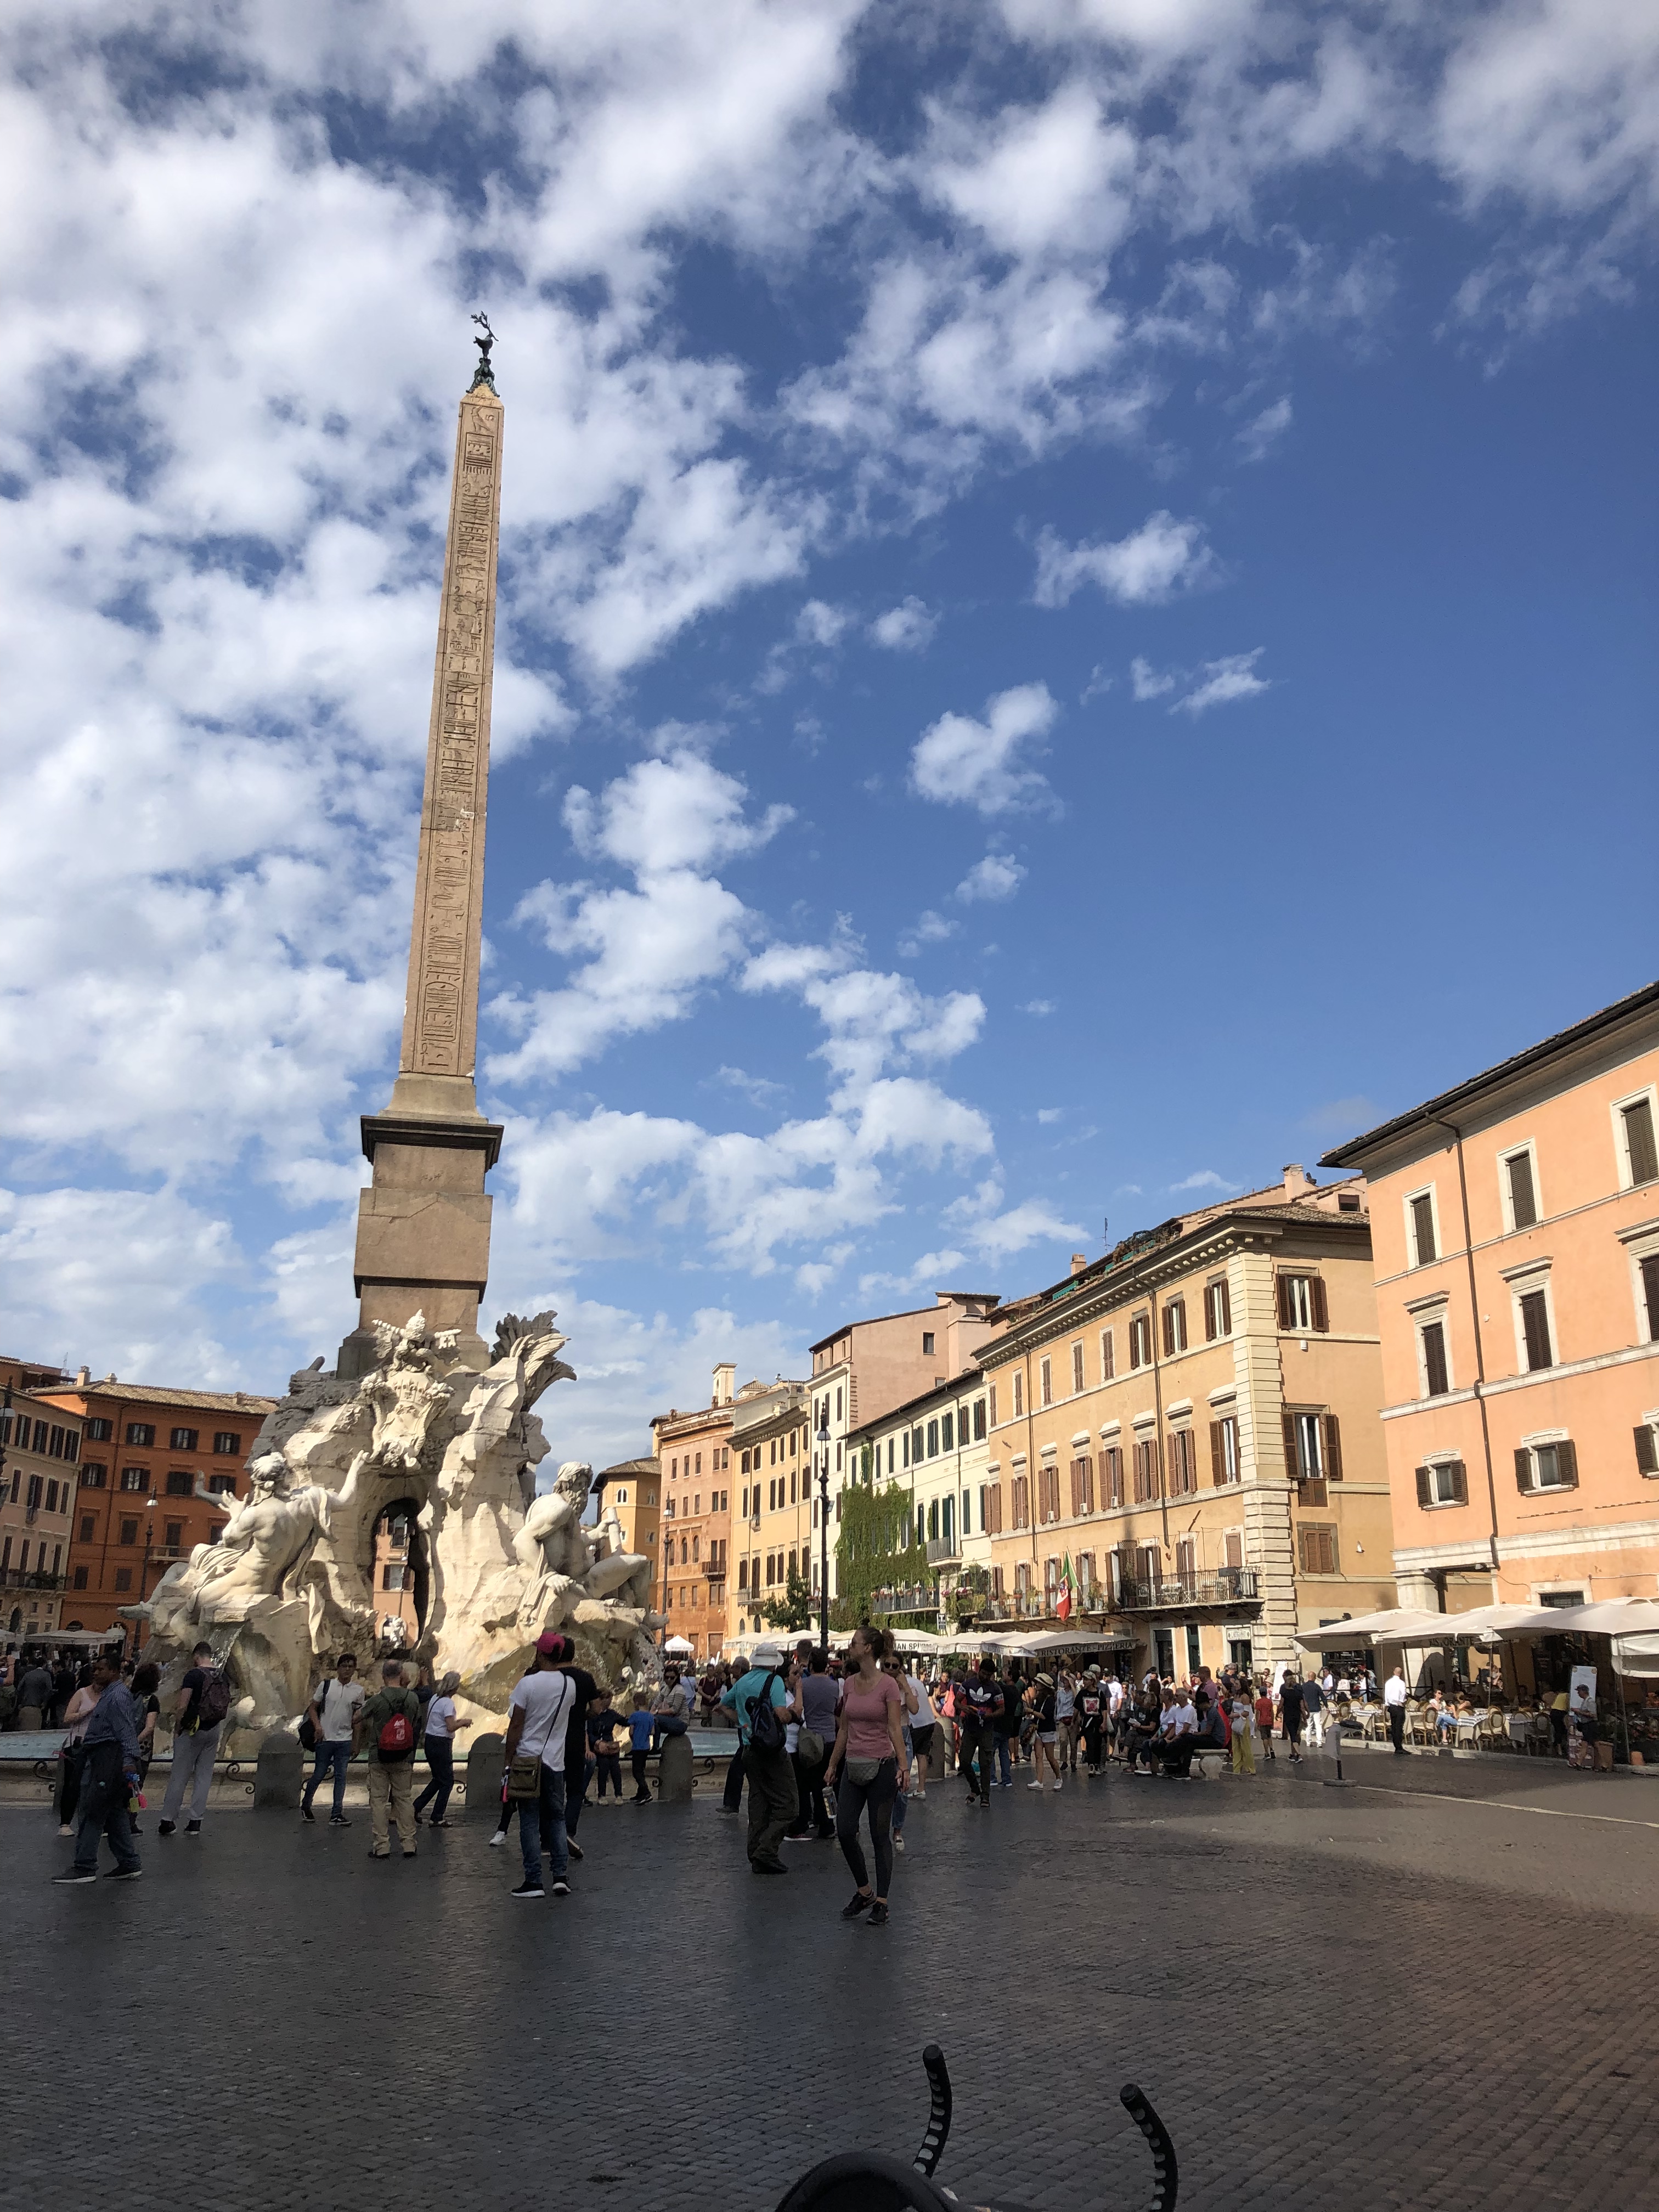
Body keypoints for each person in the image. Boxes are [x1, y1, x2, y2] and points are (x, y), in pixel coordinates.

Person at [824, 1625, 909, 1925]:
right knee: (845, 1830)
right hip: (853, 1765)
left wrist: (904, 1766)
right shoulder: (848, 1684)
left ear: (868, 1649)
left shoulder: (888, 1686)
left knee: (879, 1835)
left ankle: (882, 1902)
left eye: (854, 1643)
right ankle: (865, 1891)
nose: (850, 1647)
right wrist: (833, 1765)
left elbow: (895, 1728)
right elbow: (844, 1729)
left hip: (882, 1765)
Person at [500, 1631, 578, 1898]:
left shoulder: (528, 1684)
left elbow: (516, 1726)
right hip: (555, 1762)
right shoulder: (569, 1685)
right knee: (557, 1818)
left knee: (530, 1821)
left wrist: (508, 1761)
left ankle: (534, 1881)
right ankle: (560, 1877)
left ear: (541, 1654)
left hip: (527, 1761)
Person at [53, 1654, 143, 1884]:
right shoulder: (112, 1694)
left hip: (106, 1761)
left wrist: (129, 1762)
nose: (95, 1673)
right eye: (95, 1669)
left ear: (114, 1672)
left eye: (101, 1669)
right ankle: (129, 1863)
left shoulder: (117, 1697)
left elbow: (127, 1732)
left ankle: (85, 1866)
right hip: (107, 1759)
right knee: (114, 1812)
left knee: (91, 1811)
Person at [723, 1641, 799, 1875]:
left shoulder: (743, 1681)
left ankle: (756, 1854)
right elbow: (781, 1715)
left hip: (749, 1749)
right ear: (774, 1664)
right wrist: (795, 1712)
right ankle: (766, 1850)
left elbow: (722, 1706)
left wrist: (745, 1725)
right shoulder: (774, 1681)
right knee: (789, 1806)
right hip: (772, 1751)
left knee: (758, 1803)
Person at [158, 1640, 227, 1837]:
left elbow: (183, 1705)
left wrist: (177, 1728)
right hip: (213, 1728)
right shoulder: (222, 1675)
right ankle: (195, 1822)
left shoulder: (193, 1675)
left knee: (179, 1775)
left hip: (192, 1729)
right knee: (204, 1776)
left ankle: (168, 1820)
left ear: (196, 1656)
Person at [357, 1658, 422, 1860]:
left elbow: (357, 1717)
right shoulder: (412, 1698)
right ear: (401, 1674)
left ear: (384, 1676)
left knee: (378, 1801)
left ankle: (382, 1845)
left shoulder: (378, 1699)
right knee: (404, 1799)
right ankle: (409, 1843)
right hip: (404, 1756)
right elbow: (416, 1722)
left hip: (379, 1756)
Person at [301, 1653, 364, 1826]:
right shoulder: (326, 1686)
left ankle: (337, 1813)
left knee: (341, 1776)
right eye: (344, 1666)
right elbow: (312, 1708)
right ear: (338, 1668)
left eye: (351, 1666)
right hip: (325, 1738)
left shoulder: (358, 1691)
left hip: (345, 1739)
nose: (347, 1669)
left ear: (354, 1669)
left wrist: (356, 1743)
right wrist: (318, 1727)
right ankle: (306, 1804)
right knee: (319, 1774)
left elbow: (358, 1719)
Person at [557, 1640, 599, 1861]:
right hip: (575, 1740)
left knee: (553, 1790)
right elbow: (596, 1709)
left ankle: (550, 1836)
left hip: (552, 1741)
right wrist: (582, 1717)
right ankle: (568, 1832)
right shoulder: (585, 1678)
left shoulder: (550, 1677)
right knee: (575, 1790)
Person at [792, 1648, 839, 1839]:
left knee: (809, 1784)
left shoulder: (803, 1684)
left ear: (811, 1665)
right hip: (830, 1739)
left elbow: (798, 1708)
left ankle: (811, 1818)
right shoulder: (834, 1685)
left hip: (810, 1740)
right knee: (827, 1785)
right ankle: (827, 1823)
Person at [413, 1670, 471, 1827]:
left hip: (430, 1741)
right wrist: (464, 1722)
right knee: (447, 1782)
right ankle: (437, 1816)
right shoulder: (448, 1703)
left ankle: (416, 1807)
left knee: (439, 1779)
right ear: (454, 1687)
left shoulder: (435, 1698)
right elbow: (450, 1726)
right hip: (441, 1744)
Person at [57, 1666, 99, 1834]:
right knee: (72, 1784)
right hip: (78, 1744)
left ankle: (94, 1822)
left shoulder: (110, 1695)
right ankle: (65, 1824)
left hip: (99, 1745)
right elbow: (67, 1718)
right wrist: (88, 1712)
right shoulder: (81, 1693)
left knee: (97, 1785)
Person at [958, 1657, 1002, 1806]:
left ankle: (985, 1796)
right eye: (984, 1673)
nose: (986, 1677)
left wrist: (990, 1716)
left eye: (989, 1675)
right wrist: (965, 1709)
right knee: (964, 1760)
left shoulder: (996, 1689)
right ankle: (975, 1788)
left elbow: (1002, 1709)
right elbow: (957, 1701)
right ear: (979, 1670)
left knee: (985, 1763)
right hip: (970, 1728)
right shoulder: (968, 1684)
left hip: (986, 1729)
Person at [1027, 1672, 1063, 1791]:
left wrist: (1031, 1711)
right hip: (1039, 1730)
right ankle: (1039, 1781)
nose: (1036, 1684)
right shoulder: (1039, 1698)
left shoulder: (1050, 1700)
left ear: (1043, 1685)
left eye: (1038, 1683)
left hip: (1048, 1730)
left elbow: (1044, 1716)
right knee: (1038, 1756)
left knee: (1050, 1757)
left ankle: (1058, 1778)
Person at [906, 1664, 938, 1799]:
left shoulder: (903, 1684)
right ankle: (921, 1789)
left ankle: (903, 1787)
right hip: (929, 1721)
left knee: (907, 1755)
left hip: (916, 1723)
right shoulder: (917, 1681)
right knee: (922, 1754)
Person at [588, 1685, 623, 1802]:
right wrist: (597, 1741)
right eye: (608, 1699)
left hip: (610, 1745)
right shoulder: (592, 1715)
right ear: (602, 1700)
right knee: (604, 1766)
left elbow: (624, 1721)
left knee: (616, 1768)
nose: (610, 1702)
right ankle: (602, 1795)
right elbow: (589, 1732)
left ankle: (619, 1795)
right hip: (597, 1747)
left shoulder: (612, 1714)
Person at [992, 1660, 1023, 1788]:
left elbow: (998, 1687)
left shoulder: (1005, 1689)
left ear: (1010, 1677)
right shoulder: (1016, 1691)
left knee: (991, 1752)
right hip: (1008, 1725)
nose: (1003, 1675)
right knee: (1004, 1753)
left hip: (998, 1724)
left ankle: (992, 1778)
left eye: (1005, 1673)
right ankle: (1007, 1779)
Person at [627, 1692, 656, 1802]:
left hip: (637, 1747)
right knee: (641, 1770)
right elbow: (653, 1732)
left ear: (636, 1703)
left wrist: (634, 1739)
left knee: (637, 1772)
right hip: (646, 1747)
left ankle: (647, 1793)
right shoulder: (650, 1716)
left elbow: (631, 1732)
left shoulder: (635, 1716)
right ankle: (640, 1794)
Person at [1077, 1669, 1107, 1774]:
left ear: (1092, 1681)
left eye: (1087, 1679)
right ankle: (1091, 1766)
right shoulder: (1082, 1693)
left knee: (1098, 1743)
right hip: (1087, 1722)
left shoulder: (1099, 1693)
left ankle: (1097, 1765)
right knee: (1090, 1743)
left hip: (1098, 1721)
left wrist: (1104, 1722)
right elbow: (1077, 1708)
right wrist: (1076, 1720)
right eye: (1084, 1679)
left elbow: (1104, 1709)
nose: (1084, 1681)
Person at [14, 1652, 52, 1733]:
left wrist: (20, 1703)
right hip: (37, 1706)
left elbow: (19, 1688)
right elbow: (49, 1690)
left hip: (25, 1705)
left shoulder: (28, 1674)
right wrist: (45, 1702)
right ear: (44, 1665)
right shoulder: (46, 1675)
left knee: (22, 1730)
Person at [1228, 1681, 1256, 1774]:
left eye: (1237, 1684)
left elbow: (1247, 1713)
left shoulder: (1245, 1697)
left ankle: (1250, 1768)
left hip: (1243, 1723)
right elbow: (1233, 1709)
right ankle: (1237, 1768)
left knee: (1246, 1747)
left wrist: (1235, 1715)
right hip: (1235, 1723)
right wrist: (1231, 1718)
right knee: (1236, 1747)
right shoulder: (1236, 1696)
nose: (1235, 1685)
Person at [1054, 1667, 1079, 1774]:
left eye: (1067, 1680)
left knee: (1073, 1743)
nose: (1064, 1682)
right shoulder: (1060, 1693)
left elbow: (1076, 1698)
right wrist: (1058, 1717)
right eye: (1064, 1680)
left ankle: (1073, 1762)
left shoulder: (1074, 1692)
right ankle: (1064, 1761)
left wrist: (1072, 1685)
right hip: (1063, 1719)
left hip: (1072, 1719)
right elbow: (1058, 1705)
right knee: (1063, 1740)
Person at [1279, 1672, 1305, 1765]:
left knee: (1293, 1735)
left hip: (1288, 1715)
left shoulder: (1285, 1692)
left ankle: (1298, 1755)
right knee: (1296, 1734)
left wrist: (1278, 1713)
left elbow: (1281, 1705)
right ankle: (1293, 1754)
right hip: (1297, 1715)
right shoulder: (1298, 1692)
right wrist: (1305, 1716)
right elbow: (1302, 1706)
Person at [1384, 1665, 1408, 1754]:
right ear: (1401, 1674)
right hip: (1398, 1706)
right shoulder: (1401, 1683)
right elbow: (1403, 1694)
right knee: (1399, 1727)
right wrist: (1402, 1702)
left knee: (1394, 1726)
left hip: (1391, 1707)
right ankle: (1399, 1747)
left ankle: (1396, 1745)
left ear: (1394, 1672)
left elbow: (1386, 1694)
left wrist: (1387, 1704)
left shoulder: (1388, 1683)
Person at [1254, 1680, 1278, 1762]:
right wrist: (1273, 1722)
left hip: (1262, 1721)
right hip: (1269, 1721)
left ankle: (1267, 1753)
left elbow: (1258, 1713)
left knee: (1264, 1738)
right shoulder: (1269, 1702)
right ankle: (1272, 1750)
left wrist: (1257, 1723)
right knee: (1269, 1736)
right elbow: (1272, 1713)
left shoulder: (1259, 1702)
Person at [1302, 1670, 1325, 1747]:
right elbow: (1323, 1697)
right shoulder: (1317, 1686)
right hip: (1316, 1708)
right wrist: (1327, 1706)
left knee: (1308, 1726)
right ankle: (1319, 1742)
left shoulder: (1303, 1687)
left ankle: (1308, 1742)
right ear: (1315, 1678)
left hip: (1307, 1709)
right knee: (1318, 1725)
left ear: (1308, 1677)